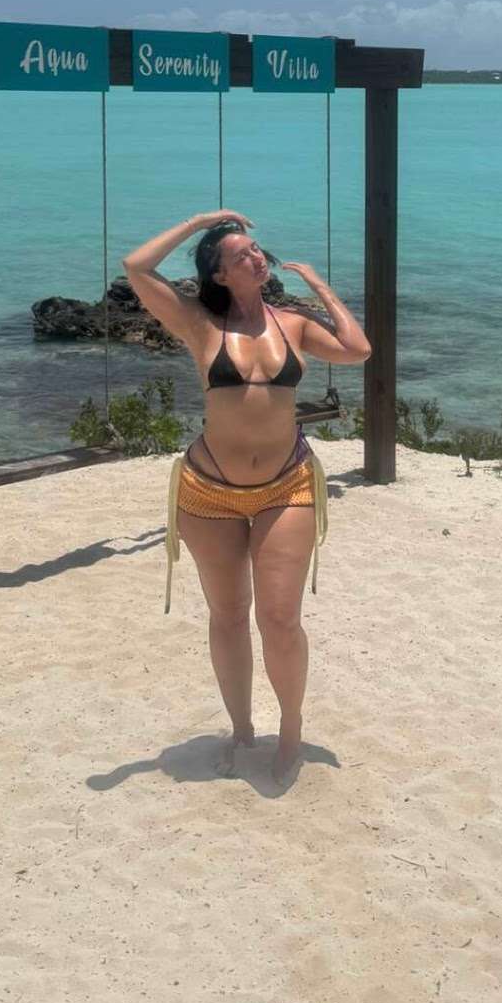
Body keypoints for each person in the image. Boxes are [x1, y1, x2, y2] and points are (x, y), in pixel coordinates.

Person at [122, 209, 371, 784]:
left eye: (256, 250)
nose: (256, 257)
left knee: (279, 619)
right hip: (207, 492)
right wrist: (200, 222)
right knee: (229, 616)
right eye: (241, 254)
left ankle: (291, 731)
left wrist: (320, 287)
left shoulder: (295, 324)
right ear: (219, 273)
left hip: (287, 484)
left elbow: (357, 349)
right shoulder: (199, 325)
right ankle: (240, 729)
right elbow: (136, 267)